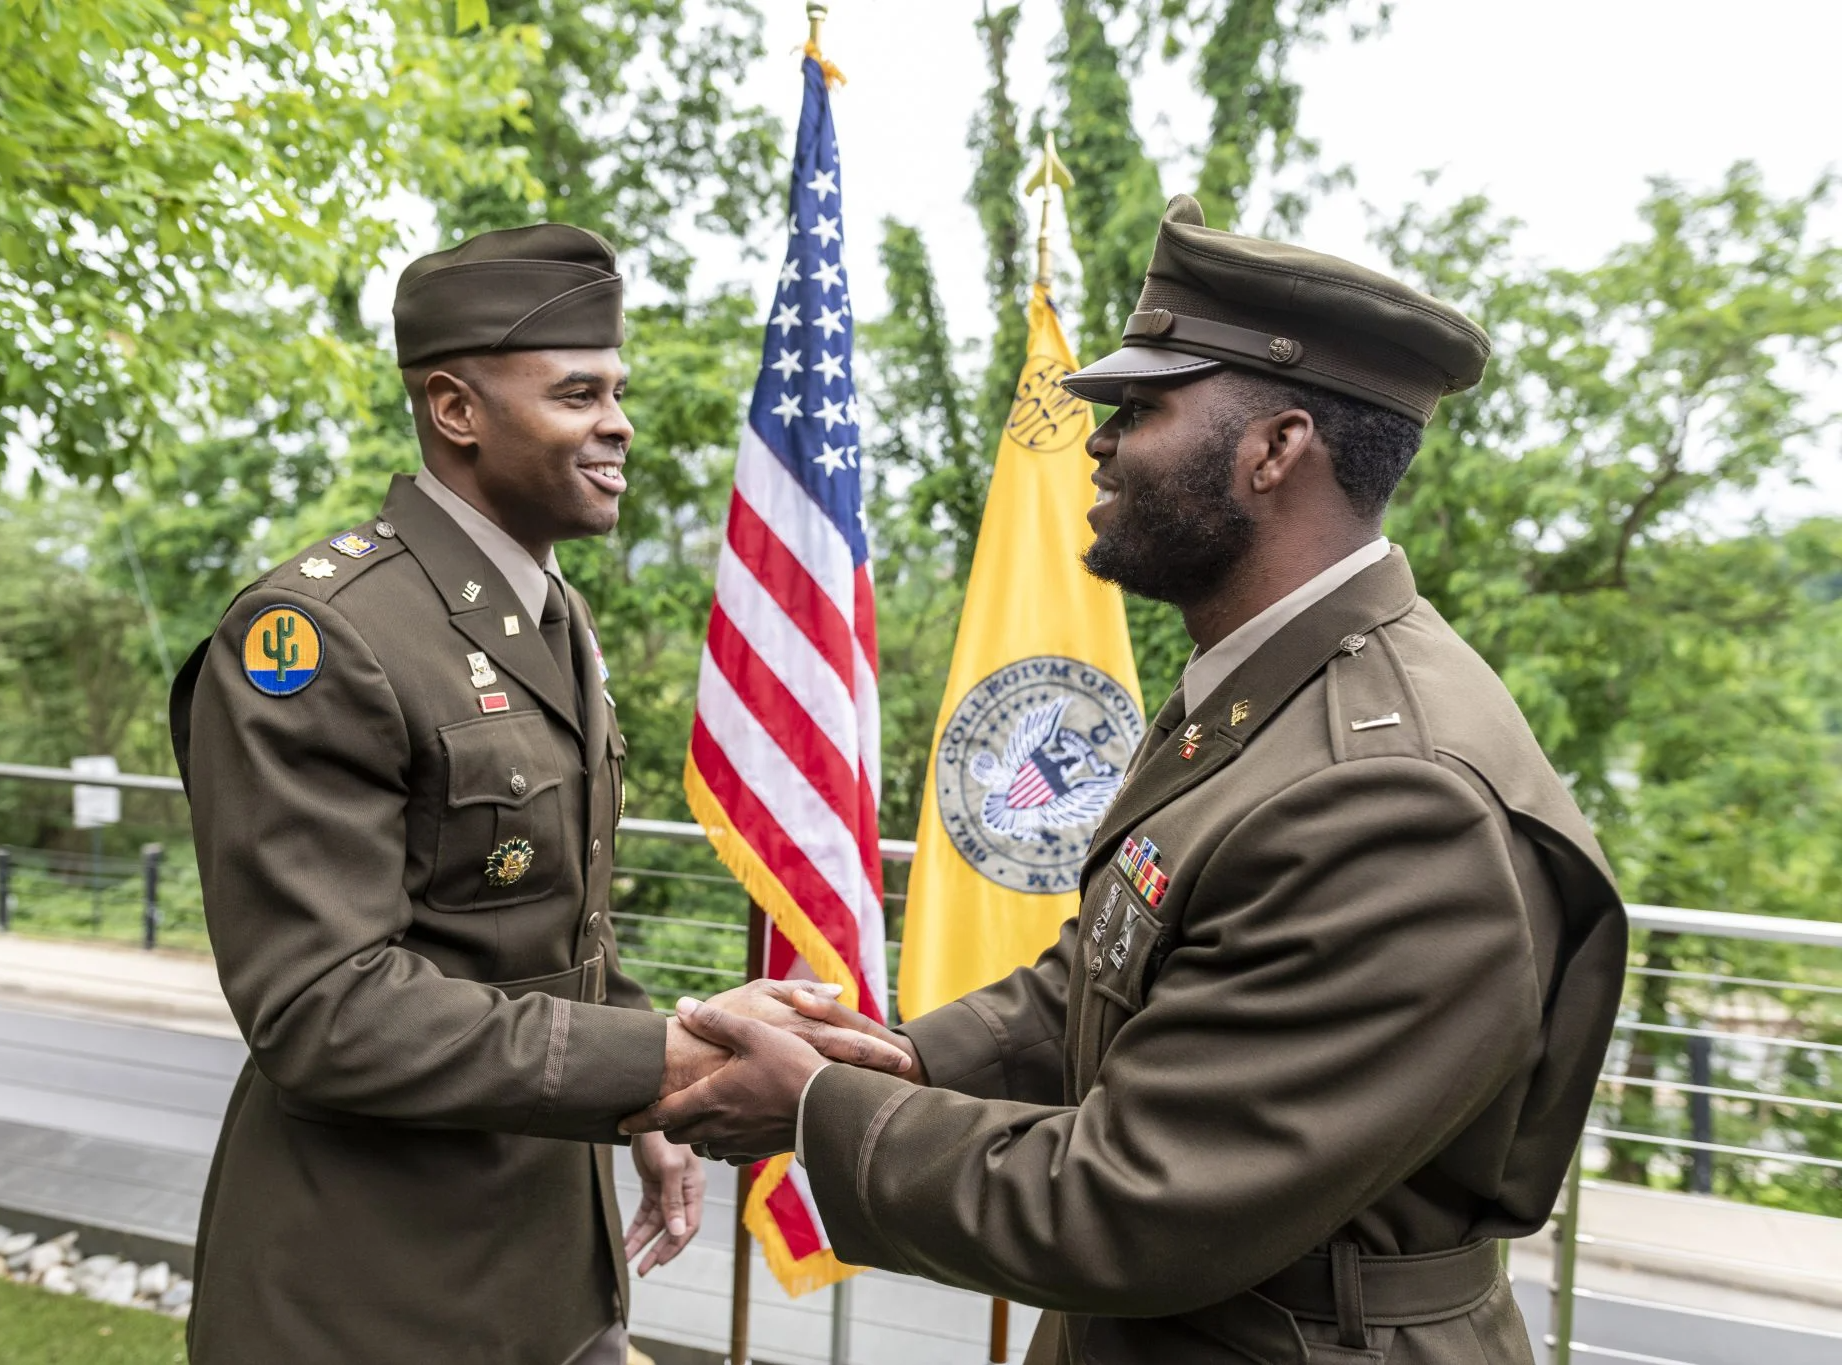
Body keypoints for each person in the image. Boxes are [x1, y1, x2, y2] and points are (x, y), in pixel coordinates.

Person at [626, 195, 1629, 1365]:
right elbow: (1103, 974)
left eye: (1139, 409)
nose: (1094, 440)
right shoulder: (1263, 689)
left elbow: (1132, 1207)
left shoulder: (1391, 796)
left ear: (1274, 448)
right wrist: (895, 1058)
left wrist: (814, 1106)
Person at [169, 224, 906, 1365]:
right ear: (455, 409)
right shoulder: (322, 637)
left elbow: (548, 931)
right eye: (577, 394)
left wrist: (646, 1099)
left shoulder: (547, 618)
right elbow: (324, 1011)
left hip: (548, 1271)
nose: (619, 424)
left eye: (616, 391)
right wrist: (660, 1059)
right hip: (375, 1291)